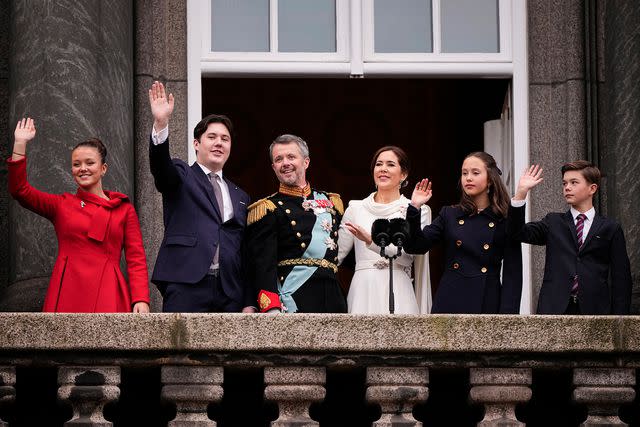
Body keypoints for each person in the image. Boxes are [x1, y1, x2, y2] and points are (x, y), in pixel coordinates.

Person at [7, 118, 150, 313]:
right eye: (76, 164)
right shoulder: (62, 205)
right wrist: (20, 144)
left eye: (89, 163)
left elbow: (136, 258)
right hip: (68, 289)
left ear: (103, 169)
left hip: (109, 289)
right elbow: (20, 190)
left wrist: (140, 299)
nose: (82, 168)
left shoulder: (123, 209)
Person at [148, 81, 253, 313]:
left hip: (230, 291)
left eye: (225, 139)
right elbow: (160, 167)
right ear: (197, 144)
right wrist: (161, 123)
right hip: (187, 283)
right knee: (180, 351)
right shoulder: (182, 174)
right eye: (212, 137)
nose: (218, 143)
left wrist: (248, 300)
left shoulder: (240, 195)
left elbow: (243, 250)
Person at [406, 151, 522, 314]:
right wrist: (414, 208)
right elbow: (416, 247)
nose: (468, 178)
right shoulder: (449, 214)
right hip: (450, 299)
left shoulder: (504, 219)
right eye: (464, 173)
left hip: (487, 302)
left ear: (490, 179)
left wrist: (509, 318)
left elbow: (513, 273)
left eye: (475, 173)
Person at [509, 161, 632, 315]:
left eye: (574, 182)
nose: (567, 187)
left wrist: (620, 320)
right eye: (564, 183)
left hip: (596, 310)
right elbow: (517, 233)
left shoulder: (610, 227)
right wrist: (521, 193)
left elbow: (621, 278)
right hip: (554, 309)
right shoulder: (553, 222)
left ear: (592, 188)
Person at [246, 134, 347, 313]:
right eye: (279, 159)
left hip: (332, 298)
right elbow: (262, 265)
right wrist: (271, 307)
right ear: (273, 167)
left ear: (306, 162)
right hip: (294, 299)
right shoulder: (268, 208)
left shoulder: (332, 202)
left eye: (291, 157)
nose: (285, 163)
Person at [337, 146, 432, 314]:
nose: (383, 169)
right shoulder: (355, 208)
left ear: (403, 174)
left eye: (390, 164)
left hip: (399, 287)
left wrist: (371, 241)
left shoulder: (416, 210)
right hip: (363, 290)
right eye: (379, 164)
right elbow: (336, 256)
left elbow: (407, 257)